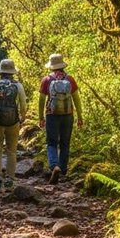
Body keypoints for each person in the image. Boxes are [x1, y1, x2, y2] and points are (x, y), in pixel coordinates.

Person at [38, 53, 82, 184]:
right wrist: (80, 116)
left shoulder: (46, 80)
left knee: (52, 142)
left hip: (52, 115)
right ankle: (62, 170)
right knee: (65, 143)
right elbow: (76, 99)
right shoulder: (70, 79)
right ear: (62, 65)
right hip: (68, 115)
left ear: (51, 67)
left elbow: (41, 100)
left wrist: (41, 116)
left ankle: (54, 166)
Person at [0, 58, 27, 191]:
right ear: (12, 71)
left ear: (1, 71)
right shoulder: (18, 85)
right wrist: (22, 117)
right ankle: (9, 181)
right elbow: (23, 103)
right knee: (12, 151)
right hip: (13, 121)